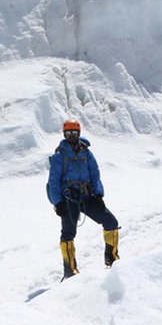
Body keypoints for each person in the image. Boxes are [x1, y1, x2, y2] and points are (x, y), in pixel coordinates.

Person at [47, 119, 119, 279]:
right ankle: (70, 271)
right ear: (64, 134)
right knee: (68, 233)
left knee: (111, 222)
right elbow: (53, 181)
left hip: (87, 196)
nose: (71, 136)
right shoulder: (60, 155)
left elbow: (95, 174)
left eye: (74, 133)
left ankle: (112, 259)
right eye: (68, 133)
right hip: (68, 199)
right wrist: (58, 203)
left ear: (78, 133)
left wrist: (99, 194)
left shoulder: (86, 153)